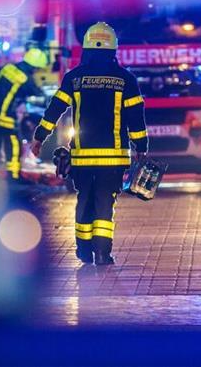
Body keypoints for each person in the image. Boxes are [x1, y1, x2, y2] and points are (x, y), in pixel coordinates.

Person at [31, 22, 148, 265]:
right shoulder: (126, 79)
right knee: (106, 203)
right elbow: (136, 118)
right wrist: (141, 147)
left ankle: (84, 250)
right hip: (113, 158)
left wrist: (40, 136)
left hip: (82, 156)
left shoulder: (74, 78)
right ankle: (103, 253)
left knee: (85, 199)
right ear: (113, 49)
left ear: (86, 48)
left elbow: (55, 109)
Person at [0, 48, 47, 180]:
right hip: (5, 118)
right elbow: (38, 95)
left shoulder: (7, 68)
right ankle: (13, 176)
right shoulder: (25, 78)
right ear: (35, 66)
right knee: (13, 145)